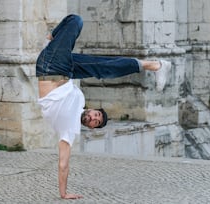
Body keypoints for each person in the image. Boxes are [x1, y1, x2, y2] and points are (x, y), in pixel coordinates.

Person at [36, 14, 171, 199]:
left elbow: (63, 163)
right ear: (92, 110)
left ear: (90, 127)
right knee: (81, 29)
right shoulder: (80, 101)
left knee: (100, 60)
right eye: (96, 116)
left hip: (50, 68)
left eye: (95, 122)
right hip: (62, 68)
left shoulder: (69, 130)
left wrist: (63, 193)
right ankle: (155, 65)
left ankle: (156, 65)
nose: (93, 118)